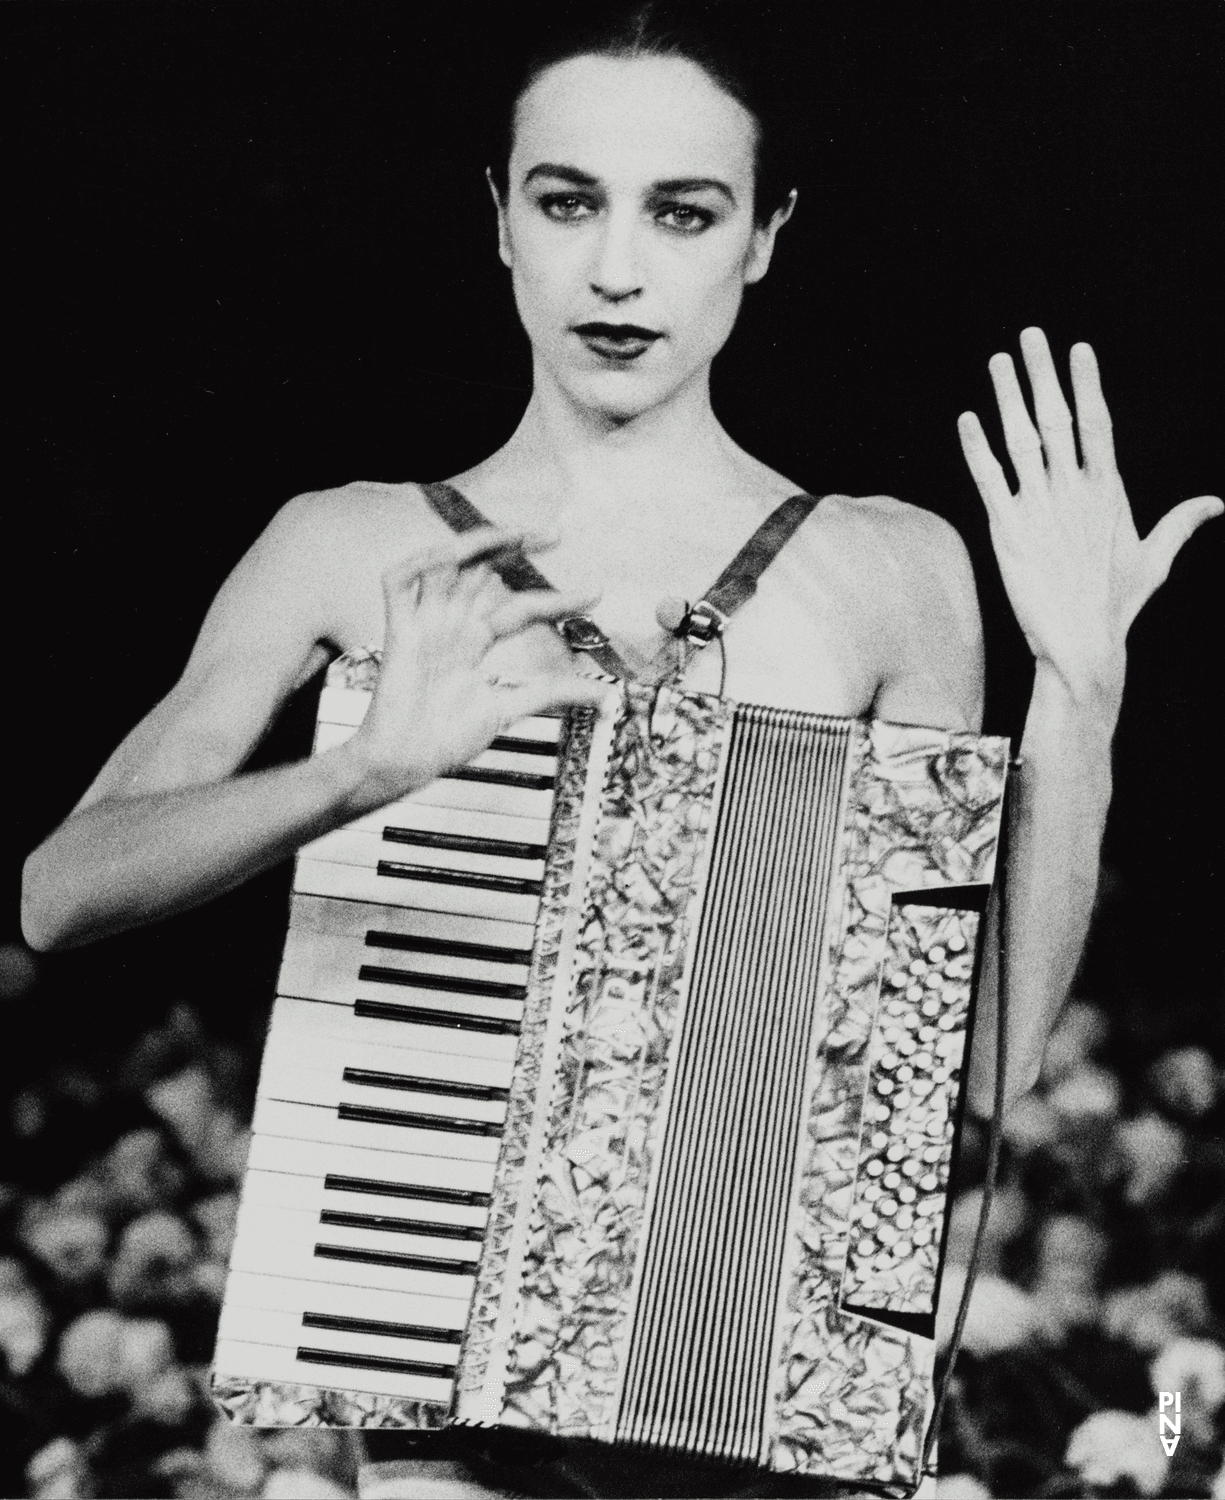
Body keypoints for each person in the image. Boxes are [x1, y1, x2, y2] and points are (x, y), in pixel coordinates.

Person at [19, 4, 1221, 1496]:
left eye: (685, 210)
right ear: (500, 217)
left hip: (766, 1404)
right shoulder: (344, 544)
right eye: (568, 198)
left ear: (765, 235)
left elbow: (976, 1065)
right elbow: (59, 893)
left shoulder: (891, 569)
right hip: (437, 1384)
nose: (618, 268)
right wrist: (356, 774)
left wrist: (1081, 696)